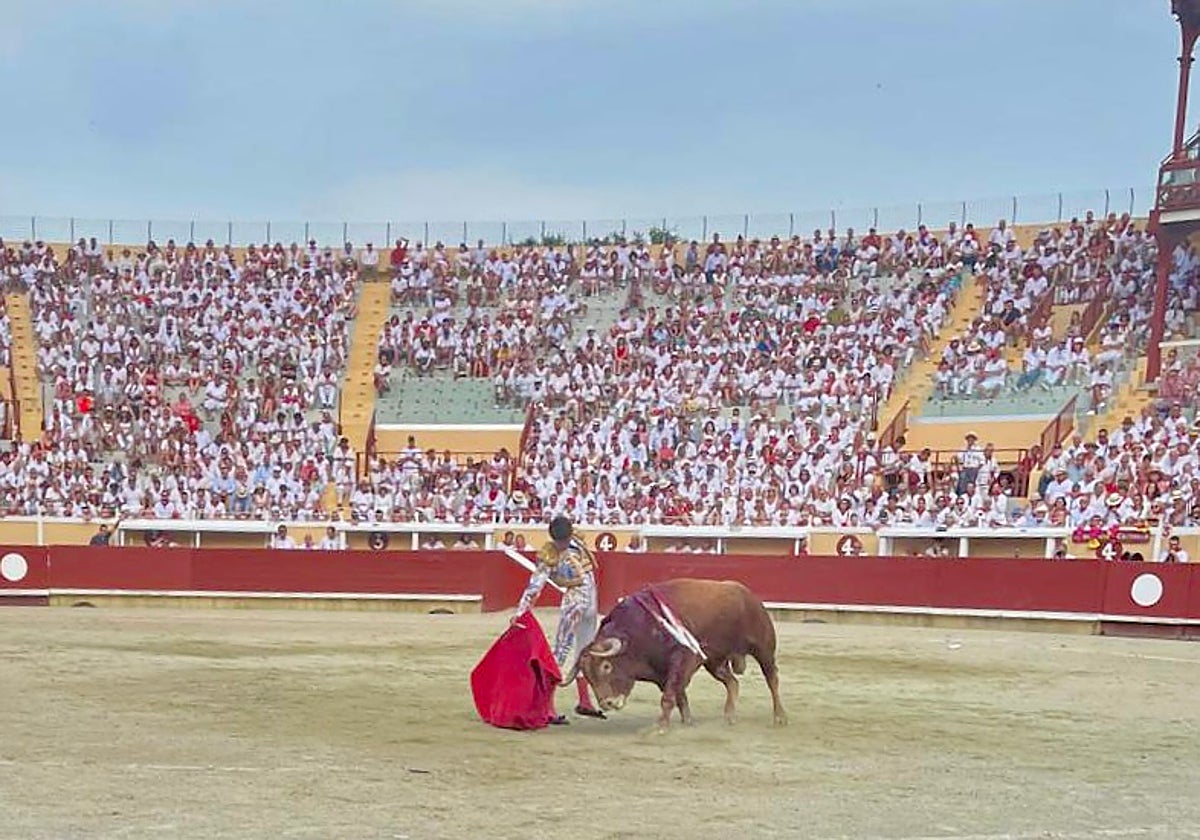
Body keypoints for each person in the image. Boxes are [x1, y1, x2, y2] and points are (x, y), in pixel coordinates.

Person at [512, 515, 606, 724]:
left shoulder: (577, 540)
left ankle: (584, 702)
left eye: (565, 539)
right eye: (560, 540)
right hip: (573, 604)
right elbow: (535, 585)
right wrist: (520, 612)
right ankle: (547, 707)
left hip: (590, 604)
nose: (563, 544)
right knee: (560, 653)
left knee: (585, 653)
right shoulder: (549, 554)